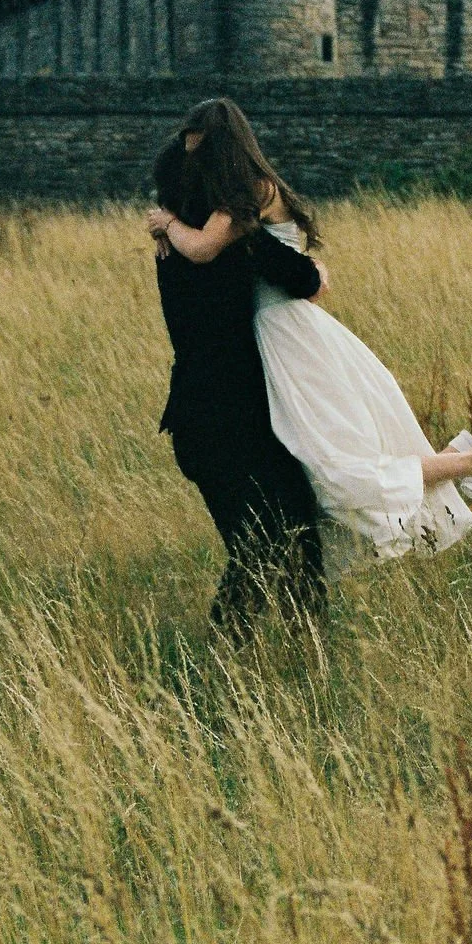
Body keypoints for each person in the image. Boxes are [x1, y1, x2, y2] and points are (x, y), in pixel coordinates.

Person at [148, 99, 472, 578]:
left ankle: (471, 461)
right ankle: (464, 459)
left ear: (223, 152)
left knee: (339, 472)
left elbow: (211, 250)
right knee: (328, 472)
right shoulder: (240, 196)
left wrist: (167, 222)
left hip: (294, 342)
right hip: (277, 345)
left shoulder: (248, 195)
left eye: (201, 154)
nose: (195, 166)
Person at [150, 134, 332, 636]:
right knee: (282, 539)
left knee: (260, 543)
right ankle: (287, 649)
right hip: (239, 418)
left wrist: (168, 223)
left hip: (199, 419)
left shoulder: (171, 251)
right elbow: (308, 281)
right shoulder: (242, 245)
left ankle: (252, 656)